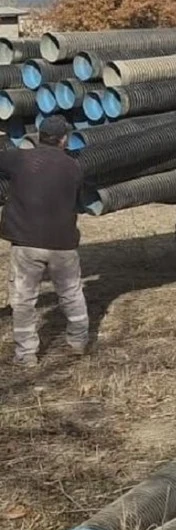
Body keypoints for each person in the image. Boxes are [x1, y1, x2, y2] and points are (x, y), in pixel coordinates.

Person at [0, 115, 89, 367]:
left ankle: (26, 355)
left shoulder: (20, 159)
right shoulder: (75, 167)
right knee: (72, 293)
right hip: (63, 244)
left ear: (39, 136)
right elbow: (79, 201)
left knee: (23, 299)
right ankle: (78, 342)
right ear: (64, 140)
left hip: (26, 243)